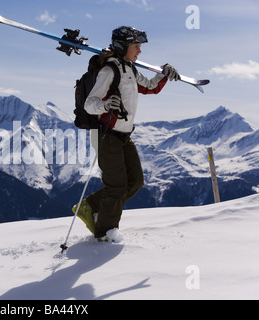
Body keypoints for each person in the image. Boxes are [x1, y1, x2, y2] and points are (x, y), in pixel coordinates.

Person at [74, 26, 180, 241]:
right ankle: (104, 234)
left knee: (135, 182)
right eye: (136, 46)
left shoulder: (130, 70)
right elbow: (89, 104)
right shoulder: (109, 71)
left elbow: (150, 87)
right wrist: (105, 105)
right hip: (107, 135)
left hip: (124, 135)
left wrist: (164, 72)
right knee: (116, 187)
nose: (139, 51)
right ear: (123, 46)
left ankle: (90, 206)